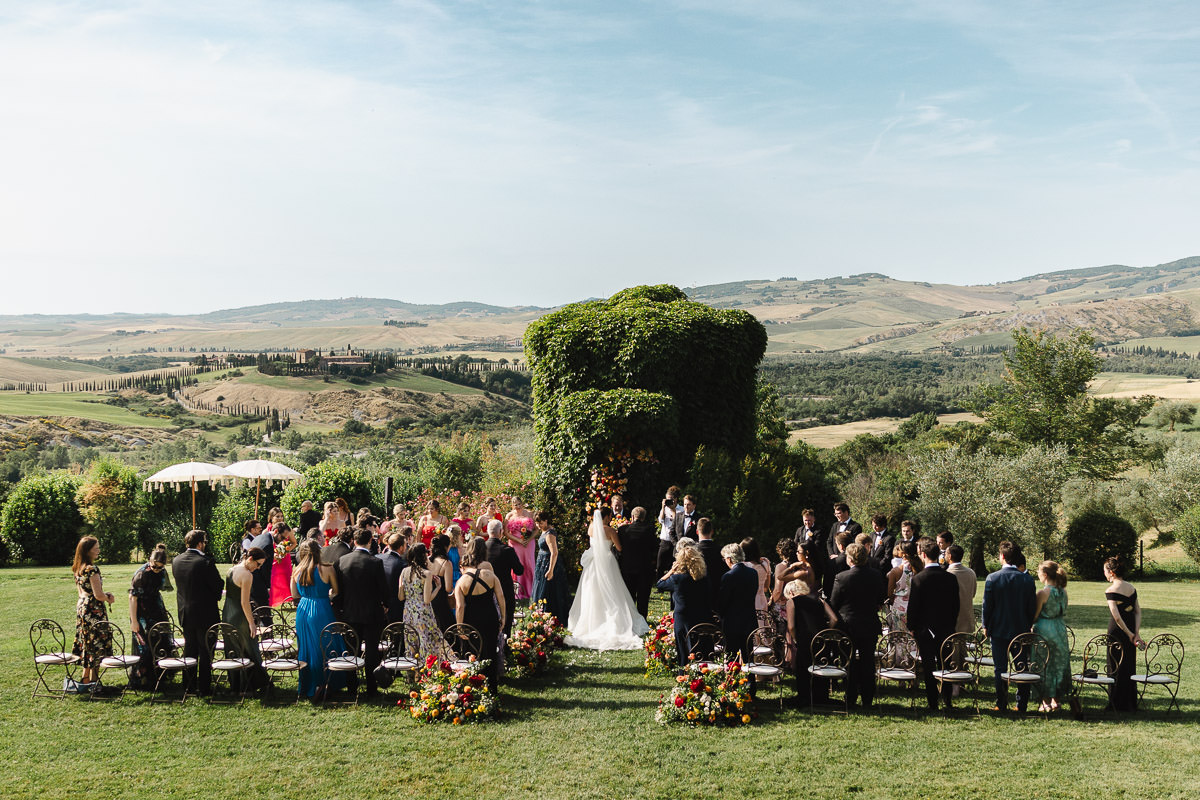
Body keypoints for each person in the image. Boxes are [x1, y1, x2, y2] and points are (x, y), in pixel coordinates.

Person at [565, 508, 650, 650]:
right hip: (607, 562)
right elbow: (619, 548)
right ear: (608, 516)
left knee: (592, 589)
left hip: (593, 563)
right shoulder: (610, 531)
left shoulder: (591, 527)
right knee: (613, 589)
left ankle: (592, 618)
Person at [981, 541, 1038, 713]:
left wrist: (985, 625)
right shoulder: (1027, 579)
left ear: (1003, 556)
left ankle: (1001, 702)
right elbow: (1031, 607)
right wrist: (1028, 624)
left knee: (1000, 668)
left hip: (998, 629)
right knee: (1022, 667)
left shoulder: (993, 578)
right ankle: (1022, 704)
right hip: (1021, 629)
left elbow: (987, 606)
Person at [829, 543, 886, 709]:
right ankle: (868, 697)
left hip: (849, 625)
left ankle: (851, 695)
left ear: (850, 558)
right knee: (868, 661)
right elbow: (881, 598)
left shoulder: (842, 577)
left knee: (849, 661)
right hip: (869, 623)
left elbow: (834, 603)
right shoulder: (876, 575)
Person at [906, 538, 961, 710]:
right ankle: (947, 698)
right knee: (944, 664)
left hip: (925, 629)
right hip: (945, 628)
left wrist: (912, 627)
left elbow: (913, 606)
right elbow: (955, 605)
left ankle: (932, 701)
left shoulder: (919, 579)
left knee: (929, 665)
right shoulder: (950, 578)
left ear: (923, 555)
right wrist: (951, 625)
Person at [337, 527, 389, 697]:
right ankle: (371, 688)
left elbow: (339, 589)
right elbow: (383, 588)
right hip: (371, 613)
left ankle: (352, 686)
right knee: (372, 652)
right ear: (370, 541)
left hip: (350, 612)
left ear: (354, 541)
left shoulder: (342, 561)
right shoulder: (375, 562)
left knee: (352, 650)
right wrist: (386, 604)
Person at [172, 530, 223, 695]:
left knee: (190, 648)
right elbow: (217, 588)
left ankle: (188, 684)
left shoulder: (176, 561)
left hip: (185, 611)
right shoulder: (205, 562)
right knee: (206, 650)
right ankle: (204, 686)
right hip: (205, 612)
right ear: (200, 543)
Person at [291, 539, 343, 700]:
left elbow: (294, 595)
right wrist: (326, 595)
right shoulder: (327, 568)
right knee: (326, 644)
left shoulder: (296, 570)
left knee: (306, 648)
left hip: (303, 610)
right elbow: (336, 590)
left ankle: (307, 686)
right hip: (321, 608)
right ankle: (326, 683)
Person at [454, 538, 505, 692]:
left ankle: (474, 689)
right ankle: (491, 689)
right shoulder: (490, 575)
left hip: (471, 621)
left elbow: (460, 606)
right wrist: (503, 617)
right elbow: (501, 598)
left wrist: (459, 626)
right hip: (490, 618)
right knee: (490, 652)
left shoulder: (461, 581)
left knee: (474, 653)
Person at [655, 544, 712, 667]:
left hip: (682, 616)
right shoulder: (703, 577)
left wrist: (671, 571)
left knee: (682, 648)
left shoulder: (676, 579)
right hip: (700, 615)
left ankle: (683, 671)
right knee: (698, 645)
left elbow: (659, 584)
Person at [222, 547, 268, 692]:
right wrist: (251, 623)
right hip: (240, 615)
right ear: (250, 559)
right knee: (249, 647)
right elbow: (244, 602)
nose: (258, 568)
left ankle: (236, 684)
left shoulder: (231, 570)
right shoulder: (247, 575)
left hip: (227, 613)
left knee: (232, 647)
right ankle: (254, 683)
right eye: (258, 564)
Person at [786, 579, 837, 707]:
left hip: (805, 640)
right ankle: (820, 696)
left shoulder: (792, 602)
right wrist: (826, 631)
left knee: (803, 668)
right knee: (820, 666)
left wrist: (795, 638)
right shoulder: (819, 600)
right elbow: (834, 619)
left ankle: (805, 697)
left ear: (791, 592)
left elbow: (791, 626)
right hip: (821, 641)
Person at [71, 536, 114, 690]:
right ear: (88, 550)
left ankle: (85, 679)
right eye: (96, 547)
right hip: (93, 609)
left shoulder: (78, 568)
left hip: (82, 606)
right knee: (97, 643)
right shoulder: (92, 569)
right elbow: (98, 595)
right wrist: (108, 598)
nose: (98, 550)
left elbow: (83, 592)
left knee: (87, 643)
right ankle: (94, 681)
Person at [128, 544, 171, 690]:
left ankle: (160, 676)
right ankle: (143, 679)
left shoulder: (161, 572)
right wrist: (134, 621)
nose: (157, 569)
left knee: (161, 641)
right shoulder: (141, 575)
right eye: (154, 566)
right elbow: (132, 598)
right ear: (149, 561)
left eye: (160, 567)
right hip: (141, 612)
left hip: (156, 609)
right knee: (144, 647)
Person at [1103, 556, 1144, 712]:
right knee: (1128, 663)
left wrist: (1127, 633)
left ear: (1111, 572)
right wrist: (1136, 633)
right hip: (1132, 628)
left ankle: (1115, 702)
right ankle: (1129, 702)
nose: (1105, 574)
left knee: (1114, 664)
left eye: (1105, 571)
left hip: (1117, 631)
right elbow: (1138, 611)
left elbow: (1117, 616)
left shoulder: (1111, 590)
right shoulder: (1131, 588)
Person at [1032, 561, 1073, 713]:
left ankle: (1045, 701)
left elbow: (1035, 616)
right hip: (1060, 628)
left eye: (1038, 572)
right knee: (1059, 663)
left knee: (1044, 663)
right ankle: (1057, 700)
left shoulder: (1042, 593)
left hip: (1044, 628)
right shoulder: (1063, 592)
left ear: (1045, 575)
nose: (1037, 575)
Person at [718, 543, 759, 667]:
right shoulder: (753, 573)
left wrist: (721, 615)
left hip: (732, 622)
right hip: (749, 619)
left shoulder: (728, 576)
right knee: (748, 658)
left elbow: (723, 601)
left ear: (729, 559)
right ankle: (750, 684)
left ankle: (732, 684)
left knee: (732, 658)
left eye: (724, 559)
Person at [401, 543, 442, 658]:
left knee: (411, 642)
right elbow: (427, 599)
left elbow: (401, 596)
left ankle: (412, 671)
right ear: (423, 556)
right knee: (426, 641)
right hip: (423, 612)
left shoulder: (404, 571)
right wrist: (438, 587)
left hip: (408, 611)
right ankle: (426, 670)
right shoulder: (426, 574)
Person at [617, 507, 658, 620]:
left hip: (627, 568)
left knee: (629, 596)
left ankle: (629, 620)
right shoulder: (650, 530)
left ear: (632, 516)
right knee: (643, 597)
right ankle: (642, 620)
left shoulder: (623, 530)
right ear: (644, 517)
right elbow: (655, 547)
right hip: (644, 568)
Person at [484, 519, 524, 636]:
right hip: (504, 589)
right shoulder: (507, 550)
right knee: (506, 619)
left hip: (485, 590)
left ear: (487, 531)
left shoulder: (481, 549)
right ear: (501, 532)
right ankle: (505, 645)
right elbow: (519, 570)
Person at [531, 510, 569, 623]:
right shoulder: (544, 531)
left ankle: (550, 616)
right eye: (537, 523)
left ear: (546, 521)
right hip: (542, 563)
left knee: (549, 591)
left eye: (540, 523)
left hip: (549, 565)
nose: (538, 525)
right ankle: (541, 615)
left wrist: (550, 570)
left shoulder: (550, 534)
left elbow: (554, 553)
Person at [505, 496, 537, 601]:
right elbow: (506, 533)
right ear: (512, 505)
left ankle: (533, 591)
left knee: (529, 564)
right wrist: (519, 540)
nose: (518, 507)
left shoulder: (529, 513)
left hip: (528, 544)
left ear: (522, 503)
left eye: (519, 504)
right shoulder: (509, 516)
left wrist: (529, 539)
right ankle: (517, 592)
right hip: (515, 544)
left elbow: (536, 530)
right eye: (515, 505)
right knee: (516, 565)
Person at [885, 542, 920, 633]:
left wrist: (894, 599)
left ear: (903, 553)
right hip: (917, 605)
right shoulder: (920, 567)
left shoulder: (896, 571)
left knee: (899, 636)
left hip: (900, 606)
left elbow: (889, 593)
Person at [377, 532, 407, 627]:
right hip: (396, 605)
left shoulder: (377, 558)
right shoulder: (402, 564)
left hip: (377, 602)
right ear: (401, 547)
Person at [427, 534, 456, 634]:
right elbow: (448, 588)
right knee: (448, 631)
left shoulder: (426, 560)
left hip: (427, 599)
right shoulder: (446, 563)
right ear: (445, 547)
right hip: (440, 601)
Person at [945, 545, 977, 634]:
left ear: (950, 556)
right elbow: (973, 593)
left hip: (951, 618)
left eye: (945, 554)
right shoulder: (971, 572)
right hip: (966, 616)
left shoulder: (947, 574)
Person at [694, 518, 727, 597]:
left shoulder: (693, 551)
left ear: (697, 532)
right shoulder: (721, 551)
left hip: (697, 594)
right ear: (712, 531)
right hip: (716, 593)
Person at [656, 485, 683, 575]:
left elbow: (678, 524)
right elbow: (661, 520)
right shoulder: (665, 508)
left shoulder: (681, 509)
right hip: (665, 540)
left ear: (675, 499)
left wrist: (673, 510)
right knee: (660, 565)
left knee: (674, 565)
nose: (669, 501)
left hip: (675, 541)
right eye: (667, 499)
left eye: (670, 499)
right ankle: (660, 587)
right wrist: (663, 507)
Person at [740, 537, 772, 615]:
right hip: (762, 599)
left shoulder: (744, 565)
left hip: (748, 600)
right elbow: (766, 587)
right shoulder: (765, 562)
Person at [269, 522, 296, 606]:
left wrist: (286, 551)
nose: (285, 538)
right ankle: (274, 599)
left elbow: (294, 543)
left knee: (288, 577)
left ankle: (290, 598)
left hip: (285, 559)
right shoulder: (268, 535)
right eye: (277, 516)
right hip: (274, 559)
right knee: (274, 578)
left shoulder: (287, 530)